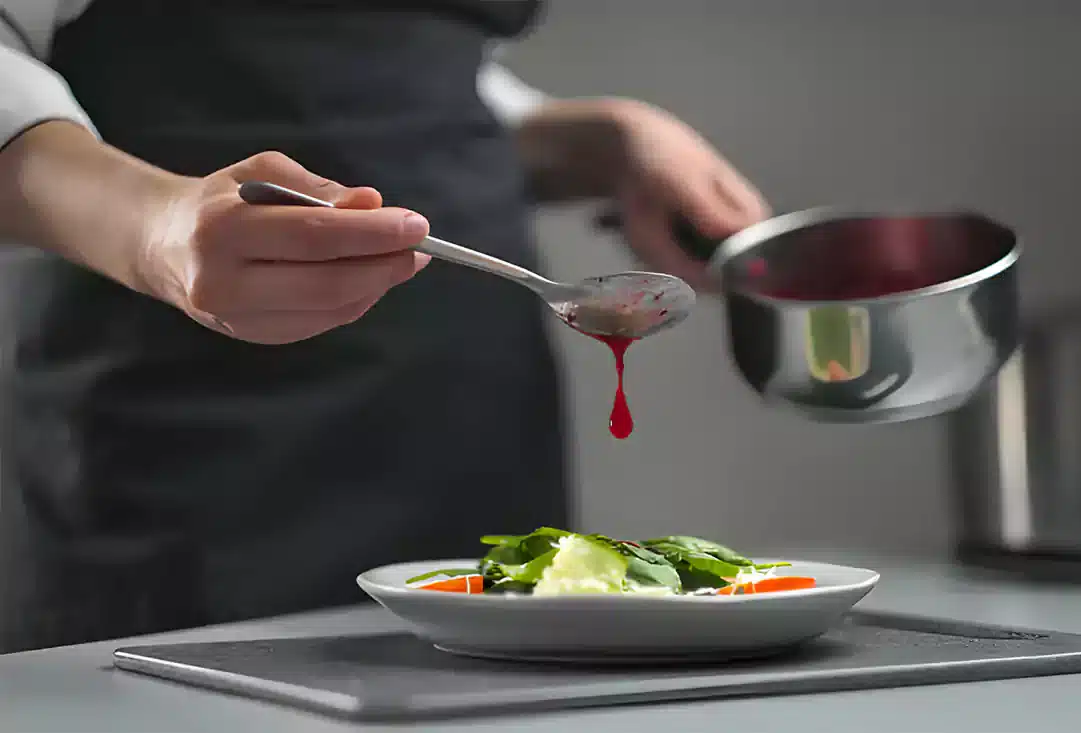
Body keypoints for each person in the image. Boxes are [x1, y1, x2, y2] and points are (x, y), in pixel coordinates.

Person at [0, 0, 769, 653]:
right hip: (189, 440)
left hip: (475, 417)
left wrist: (591, 138)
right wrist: (148, 224)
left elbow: (388, 60)